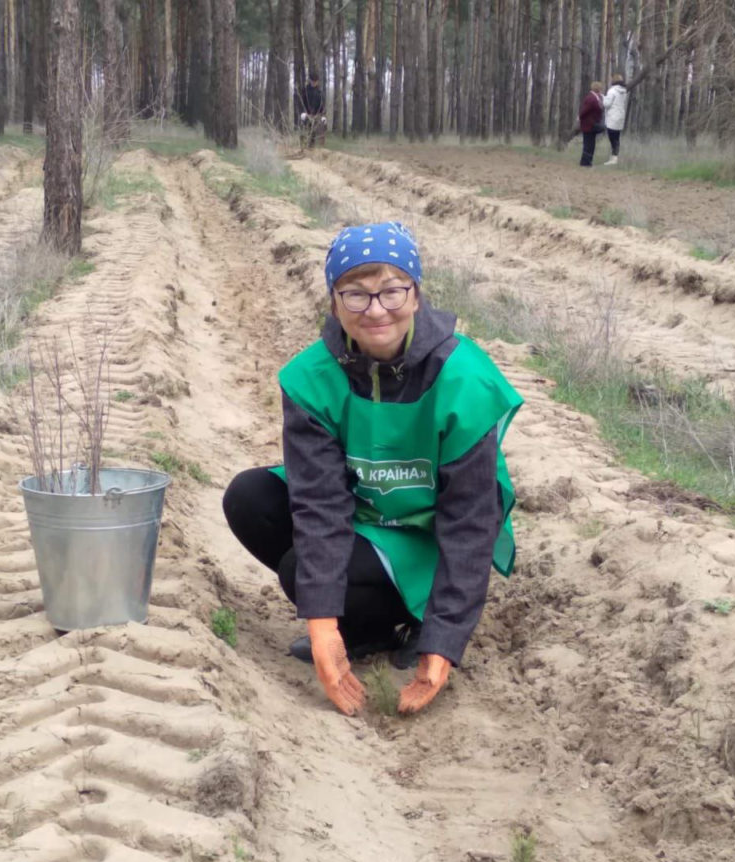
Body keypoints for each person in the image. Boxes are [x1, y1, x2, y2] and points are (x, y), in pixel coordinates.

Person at [223, 222, 523, 717]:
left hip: (429, 536)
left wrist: (444, 643)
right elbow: (319, 503)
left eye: (391, 290)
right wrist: (322, 628)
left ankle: (422, 619)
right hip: (366, 517)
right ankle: (365, 630)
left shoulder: (463, 377)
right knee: (250, 497)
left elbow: (470, 521)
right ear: (334, 301)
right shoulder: (310, 378)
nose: (376, 309)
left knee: (301, 571)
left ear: (417, 294)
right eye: (356, 295)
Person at [602, 73, 628, 166]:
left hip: (612, 117)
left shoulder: (612, 91)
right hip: (620, 116)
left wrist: (603, 98)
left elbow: (607, 104)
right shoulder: (623, 91)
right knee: (616, 138)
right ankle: (615, 157)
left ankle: (613, 158)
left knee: (612, 138)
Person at [578, 81, 605, 167]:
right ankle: (585, 163)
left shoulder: (595, 98)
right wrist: (580, 117)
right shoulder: (592, 98)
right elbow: (585, 110)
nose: (601, 90)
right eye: (600, 89)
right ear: (598, 89)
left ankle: (587, 162)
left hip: (591, 124)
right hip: (589, 124)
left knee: (591, 144)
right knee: (588, 144)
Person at [300, 69, 326, 149]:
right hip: (306, 113)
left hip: (316, 114)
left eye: (315, 81)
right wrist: (304, 112)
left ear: (317, 82)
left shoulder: (320, 92)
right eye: (312, 81)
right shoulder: (305, 90)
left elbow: (322, 105)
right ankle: (303, 145)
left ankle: (317, 146)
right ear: (310, 81)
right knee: (305, 128)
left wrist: (322, 114)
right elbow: (301, 102)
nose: (314, 83)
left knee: (319, 126)